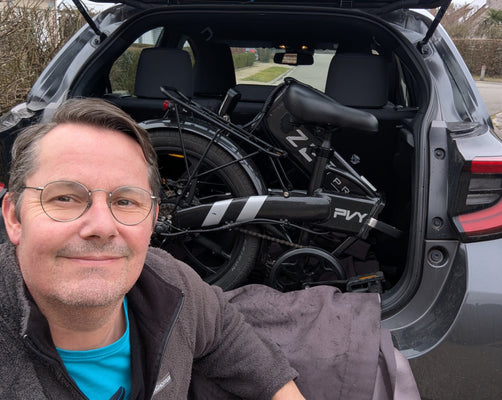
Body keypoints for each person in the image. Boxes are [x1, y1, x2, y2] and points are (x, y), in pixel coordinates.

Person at [0, 98, 305, 400]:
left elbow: (227, 334)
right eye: (65, 198)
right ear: (14, 216)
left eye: (125, 201)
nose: (102, 226)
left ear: (152, 220)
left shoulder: (170, 283)